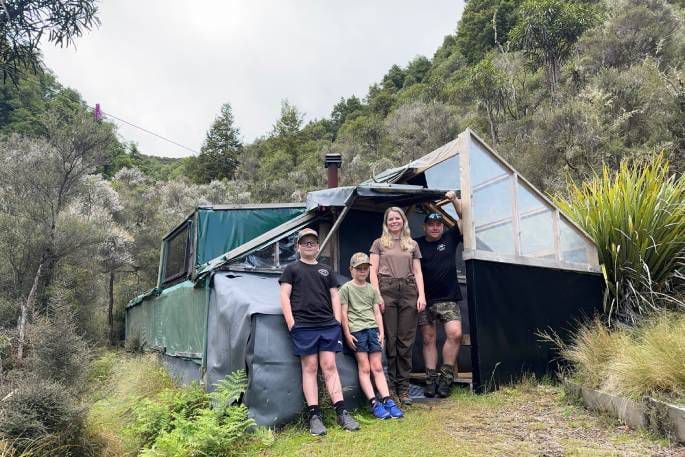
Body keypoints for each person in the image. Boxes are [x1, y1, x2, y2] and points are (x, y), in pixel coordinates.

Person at [279, 228, 360, 436]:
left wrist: (336, 321)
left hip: (327, 326)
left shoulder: (326, 270)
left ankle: (342, 413)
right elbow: (284, 297)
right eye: (304, 242)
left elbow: (335, 296)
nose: (309, 245)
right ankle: (314, 416)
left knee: (330, 366)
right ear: (298, 247)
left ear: (317, 246)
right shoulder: (291, 269)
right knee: (310, 367)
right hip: (303, 326)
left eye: (312, 242)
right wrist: (292, 324)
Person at [369, 206, 426, 406]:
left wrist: (421, 295)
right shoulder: (378, 244)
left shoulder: (411, 244)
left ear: (403, 221)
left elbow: (418, 272)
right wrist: (377, 296)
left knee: (406, 341)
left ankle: (404, 389)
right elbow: (372, 272)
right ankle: (389, 387)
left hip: (409, 290)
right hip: (387, 289)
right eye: (391, 219)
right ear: (386, 223)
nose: (394, 222)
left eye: (397, 218)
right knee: (390, 340)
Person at [340, 252, 404, 419]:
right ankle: (374, 402)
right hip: (357, 331)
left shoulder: (372, 289)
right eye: (358, 269)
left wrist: (381, 332)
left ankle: (387, 400)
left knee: (377, 366)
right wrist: (347, 334)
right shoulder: (346, 288)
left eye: (365, 269)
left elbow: (376, 312)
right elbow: (343, 314)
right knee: (365, 367)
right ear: (351, 270)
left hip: (372, 330)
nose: (362, 272)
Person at [414, 191, 463, 398]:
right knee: (428, 338)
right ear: (424, 226)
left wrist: (453, 200)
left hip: (449, 298)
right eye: (431, 224)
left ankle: (446, 378)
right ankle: (431, 380)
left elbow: (465, 218)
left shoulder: (450, 238)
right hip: (425, 300)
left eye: (438, 224)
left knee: (455, 334)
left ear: (442, 226)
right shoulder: (416, 244)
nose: (435, 227)